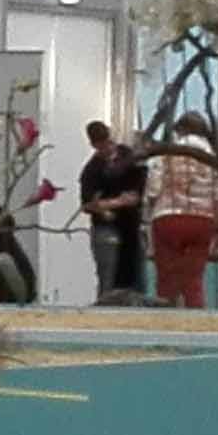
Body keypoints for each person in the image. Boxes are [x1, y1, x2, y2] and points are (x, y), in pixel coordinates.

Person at [143, 112, 218, 310]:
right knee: (193, 279)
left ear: (181, 130)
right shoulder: (214, 159)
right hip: (202, 220)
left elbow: (153, 192)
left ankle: (165, 318)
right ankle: (196, 319)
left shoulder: (166, 155)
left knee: (166, 279)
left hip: (167, 217)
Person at [74, 119, 146, 305]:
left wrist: (107, 204)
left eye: (108, 142)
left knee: (135, 277)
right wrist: (117, 202)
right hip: (106, 229)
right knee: (108, 280)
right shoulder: (92, 170)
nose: (107, 148)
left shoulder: (128, 157)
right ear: (94, 145)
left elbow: (138, 191)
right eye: (101, 145)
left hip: (131, 226)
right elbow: (87, 204)